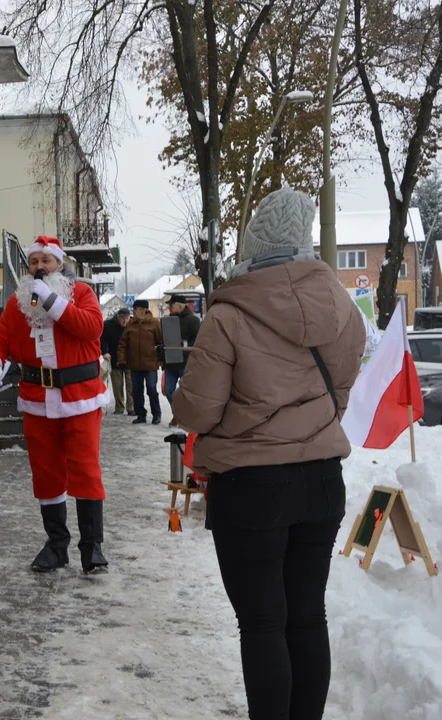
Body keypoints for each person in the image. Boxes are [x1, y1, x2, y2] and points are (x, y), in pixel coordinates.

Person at [173, 189, 365, 720]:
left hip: (252, 488)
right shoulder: (342, 307)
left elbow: (197, 413)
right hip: (322, 481)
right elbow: (342, 388)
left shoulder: (230, 313)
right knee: (307, 617)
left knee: (262, 623)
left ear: (254, 245)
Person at [0, 236, 112, 574]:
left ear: (59, 264)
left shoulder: (80, 293)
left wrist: (52, 302)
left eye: (46, 261)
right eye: (34, 262)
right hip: (37, 401)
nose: (39, 267)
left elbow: (92, 327)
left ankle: (91, 546)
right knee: (47, 473)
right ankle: (56, 545)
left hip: (80, 399)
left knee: (85, 469)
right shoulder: (18, 303)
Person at [117, 300, 163, 425]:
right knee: (136, 391)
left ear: (143, 310)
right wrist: (121, 359)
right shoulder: (131, 324)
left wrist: (161, 359)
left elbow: (161, 343)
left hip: (150, 364)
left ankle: (156, 414)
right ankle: (141, 414)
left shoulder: (155, 323)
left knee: (151, 389)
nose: (133, 311)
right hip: (135, 364)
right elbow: (123, 344)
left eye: (135, 309)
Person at [163, 293, 201, 426]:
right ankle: (177, 414)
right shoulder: (167, 321)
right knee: (168, 391)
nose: (169, 308)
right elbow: (164, 339)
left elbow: (197, 340)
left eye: (171, 305)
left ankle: (185, 417)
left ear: (179, 306)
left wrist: (185, 348)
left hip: (185, 362)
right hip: (170, 362)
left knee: (185, 392)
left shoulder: (193, 320)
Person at [101, 308, 133, 415]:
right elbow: (102, 340)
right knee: (117, 386)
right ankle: (119, 407)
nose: (124, 320)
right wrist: (104, 352)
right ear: (117, 317)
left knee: (131, 386)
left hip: (131, 360)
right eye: (122, 318)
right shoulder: (108, 325)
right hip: (115, 359)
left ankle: (131, 408)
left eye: (127, 318)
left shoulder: (133, 325)